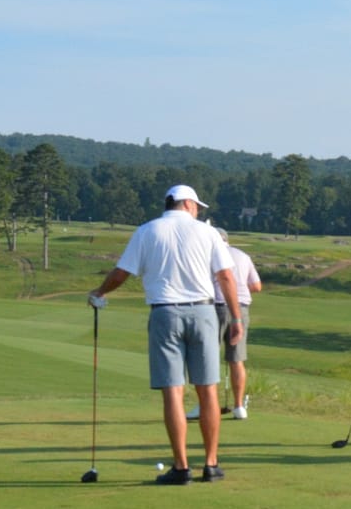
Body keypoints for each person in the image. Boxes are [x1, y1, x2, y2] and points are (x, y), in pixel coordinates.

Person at [88, 184, 242, 484]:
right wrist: (236, 317)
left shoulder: (147, 231)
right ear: (186, 204)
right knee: (207, 388)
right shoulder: (208, 233)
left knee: (174, 391)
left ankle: (181, 467)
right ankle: (211, 464)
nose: (197, 210)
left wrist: (99, 291)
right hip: (204, 313)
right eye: (196, 205)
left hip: (165, 314)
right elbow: (225, 276)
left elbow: (122, 272)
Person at [214, 227, 261, 420]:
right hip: (241, 310)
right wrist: (239, 287)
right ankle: (239, 406)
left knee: (208, 359)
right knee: (236, 360)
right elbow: (257, 286)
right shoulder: (243, 255)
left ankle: (206, 406)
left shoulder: (210, 254)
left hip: (215, 307)